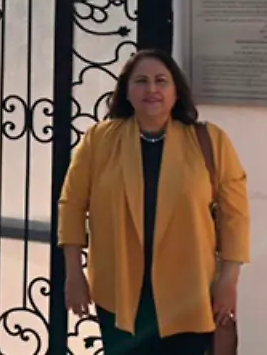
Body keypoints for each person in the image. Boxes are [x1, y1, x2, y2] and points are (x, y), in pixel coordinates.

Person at [57, 49, 250, 354]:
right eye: (141, 81)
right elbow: (72, 203)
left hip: (190, 292)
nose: (152, 89)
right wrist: (73, 273)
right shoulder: (99, 141)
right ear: (126, 92)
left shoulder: (210, 141)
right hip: (120, 292)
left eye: (161, 81)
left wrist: (229, 280)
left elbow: (235, 215)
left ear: (176, 91)